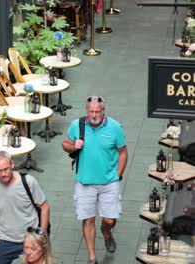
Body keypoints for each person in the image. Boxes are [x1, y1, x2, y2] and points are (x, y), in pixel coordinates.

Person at [62, 96, 128, 264]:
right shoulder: (78, 125)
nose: (94, 115)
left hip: (109, 182)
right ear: (87, 111)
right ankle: (92, 257)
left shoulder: (115, 128)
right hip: (84, 182)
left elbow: (123, 152)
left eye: (97, 111)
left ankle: (106, 232)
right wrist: (73, 145)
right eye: (91, 111)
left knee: (110, 220)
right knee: (88, 219)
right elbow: (65, 144)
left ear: (103, 111)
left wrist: (118, 175)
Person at [0, 151, 50, 264]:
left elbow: (45, 207)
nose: (4, 173)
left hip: (31, 238)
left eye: (6, 169)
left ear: (12, 165)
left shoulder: (29, 181)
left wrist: (41, 235)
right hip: (4, 242)